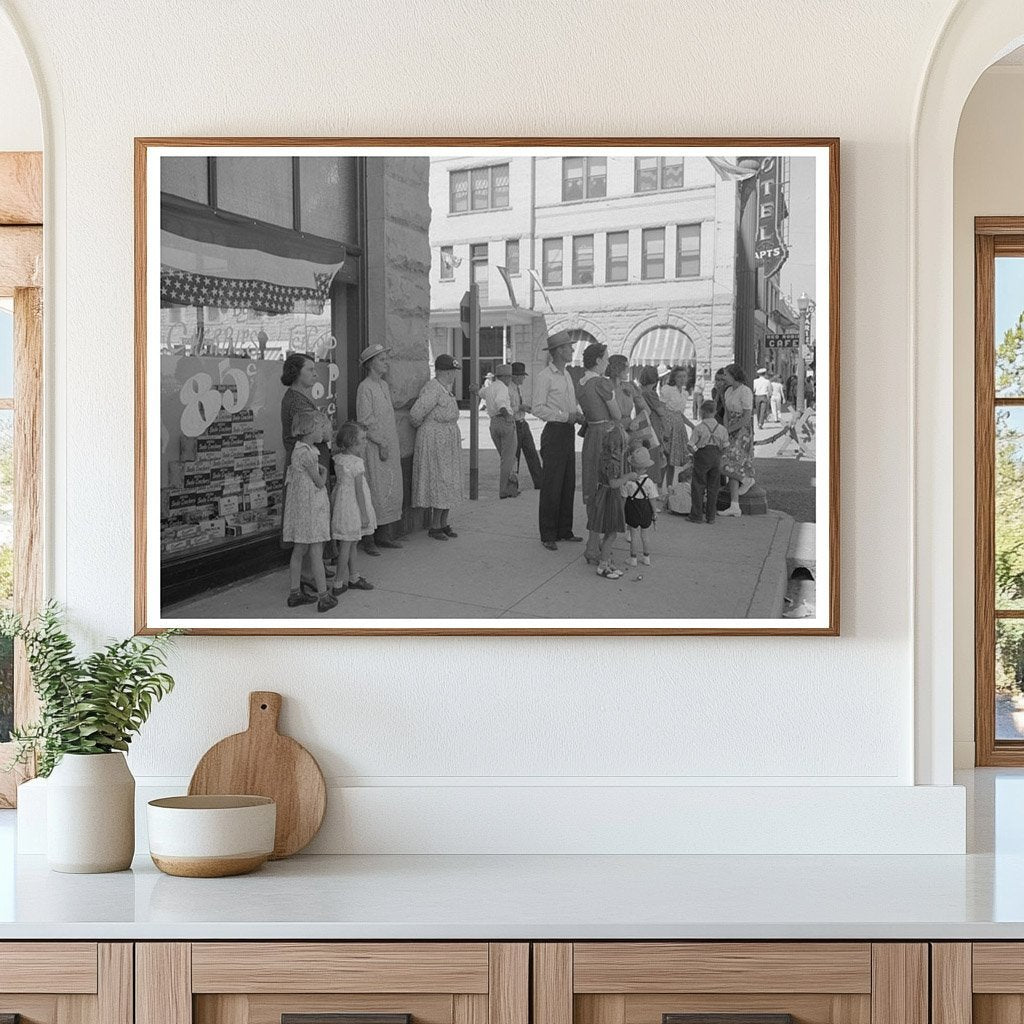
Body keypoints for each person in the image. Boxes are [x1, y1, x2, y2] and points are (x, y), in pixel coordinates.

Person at [533, 331, 584, 551]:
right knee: (552, 484)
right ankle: (548, 533)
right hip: (554, 431)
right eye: (569, 348)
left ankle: (564, 529)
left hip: (567, 432)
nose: (572, 351)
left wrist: (578, 413)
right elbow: (538, 408)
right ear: (559, 351)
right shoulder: (545, 376)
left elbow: (571, 403)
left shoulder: (566, 375)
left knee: (567, 481)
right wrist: (565, 416)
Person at [282, 410, 336, 613]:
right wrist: (323, 471)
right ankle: (324, 596)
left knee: (299, 550)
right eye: (320, 428)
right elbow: (320, 482)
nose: (323, 432)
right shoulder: (309, 454)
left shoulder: (298, 451)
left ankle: (295, 592)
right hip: (312, 509)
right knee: (316, 552)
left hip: (300, 510)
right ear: (309, 430)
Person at [355, 344, 403, 555]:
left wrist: (389, 443)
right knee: (374, 490)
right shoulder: (365, 387)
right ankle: (369, 538)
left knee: (389, 489)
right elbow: (365, 420)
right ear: (371, 363)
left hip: (389, 444)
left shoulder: (383, 385)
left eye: (386, 358)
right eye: (382, 359)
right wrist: (381, 442)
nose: (386, 363)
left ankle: (385, 533)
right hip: (375, 447)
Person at [410, 354, 464, 540]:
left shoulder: (444, 389)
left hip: (446, 442)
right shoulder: (433, 389)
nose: (453, 375)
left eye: (453, 372)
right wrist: (430, 431)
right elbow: (416, 414)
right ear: (441, 371)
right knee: (440, 480)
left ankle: (444, 522)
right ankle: (435, 526)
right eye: (450, 371)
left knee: (449, 481)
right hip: (436, 442)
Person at [577, 342, 620, 564]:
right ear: (597, 361)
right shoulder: (602, 383)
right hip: (606, 436)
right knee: (608, 486)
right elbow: (617, 413)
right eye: (605, 359)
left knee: (592, 487)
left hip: (591, 436)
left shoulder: (581, 383)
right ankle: (594, 545)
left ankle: (593, 542)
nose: (607, 362)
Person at [330, 421, 376, 598]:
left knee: (350, 542)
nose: (365, 442)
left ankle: (354, 576)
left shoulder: (339, 459)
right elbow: (358, 491)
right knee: (347, 546)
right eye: (362, 439)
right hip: (353, 508)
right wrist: (364, 514)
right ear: (352, 442)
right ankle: (338, 582)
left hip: (343, 504)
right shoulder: (356, 463)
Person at [588, 420, 633, 580]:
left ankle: (606, 562)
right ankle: (603, 565)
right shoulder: (613, 462)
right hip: (610, 497)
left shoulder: (605, 457)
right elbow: (614, 483)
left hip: (603, 494)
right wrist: (629, 476)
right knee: (611, 533)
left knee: (609, 532)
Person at [719, 362, 756, 517]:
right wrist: (726, 429)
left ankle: (745, 480)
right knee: (730, 464)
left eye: (726, 375)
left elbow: (747, 417)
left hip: (742, 431)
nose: (723, 377)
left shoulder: (745, 391)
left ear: (734, 375)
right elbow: (726, 413)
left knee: (729, 464)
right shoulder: (728, 391)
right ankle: (735, 504)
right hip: (731, 428)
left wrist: (731, 429)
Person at [687, 399, 730, 524]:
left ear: (703, 412)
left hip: (702, 455)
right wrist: (720, 454)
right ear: (715, 412)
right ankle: (711, 516)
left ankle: (696, 515)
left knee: (698, 485)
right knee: (713, 487)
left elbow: (690, 445)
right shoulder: (722, 429)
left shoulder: (699, 428)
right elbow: (726, 446)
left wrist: (696, 452)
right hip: (716, 457)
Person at [481, 363, 519, 499]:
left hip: (493, 423)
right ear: (506, 377)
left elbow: (480, 393)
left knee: (506, 457)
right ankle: (504, 490)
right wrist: (508, 416)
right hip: (504, 422)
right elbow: (500, 403)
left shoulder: (490, 387)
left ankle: (511, 488)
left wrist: (473, 389)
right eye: (509, 377)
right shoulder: (503, 388)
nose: (510, 380)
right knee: (508, 459)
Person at [623, 446, 658, 566]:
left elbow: (623, 497)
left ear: (632, 466)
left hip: (632, 508)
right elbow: (653, 498)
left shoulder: (628, 481)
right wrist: (654, 512)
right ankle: (646, 557)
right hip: (645, 508)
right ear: (647, 467)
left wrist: (622, 511)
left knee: (633, 535)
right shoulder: (649, 482)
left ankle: (633, 559)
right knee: (645, 534)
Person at [510, 362, 542, 490]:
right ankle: (512, 486)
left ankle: (540, 482)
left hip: (523, 423)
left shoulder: (518, 388)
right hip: (514, 424)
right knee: (514, 457)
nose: (524, 378)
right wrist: (519, 407)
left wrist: (525, 408)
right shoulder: (508, 389)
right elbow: (506, 409)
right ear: (516, 376)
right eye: (522, 376)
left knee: (532, 454)